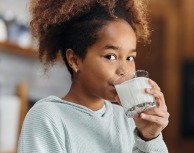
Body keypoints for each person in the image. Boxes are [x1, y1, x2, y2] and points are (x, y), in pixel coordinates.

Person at [18, 0, 169, 152]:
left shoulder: (128, 119)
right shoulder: (47, 117)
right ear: (74, 60)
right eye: (110, 56)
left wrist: (149, 137)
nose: (124, 70)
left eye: (130, 58)